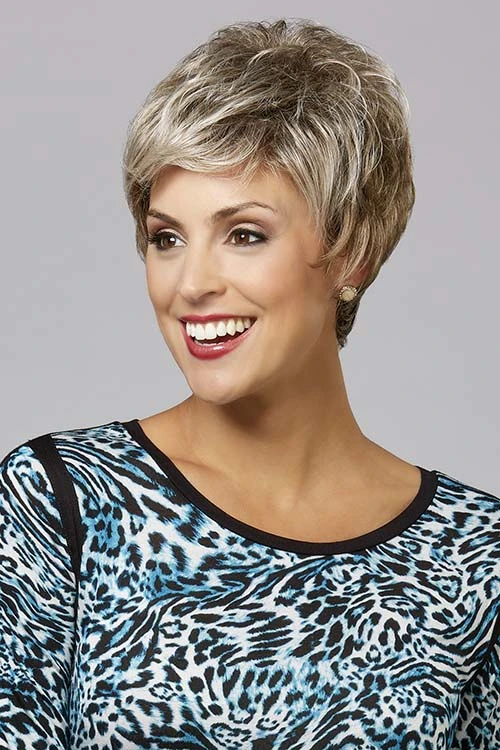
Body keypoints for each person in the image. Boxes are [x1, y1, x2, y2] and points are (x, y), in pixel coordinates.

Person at [1, 17, 498, 749]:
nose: (191, 284)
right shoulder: (62, 503)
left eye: (244, 234)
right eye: (167, 238)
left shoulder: (476, 557)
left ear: (352, 251)